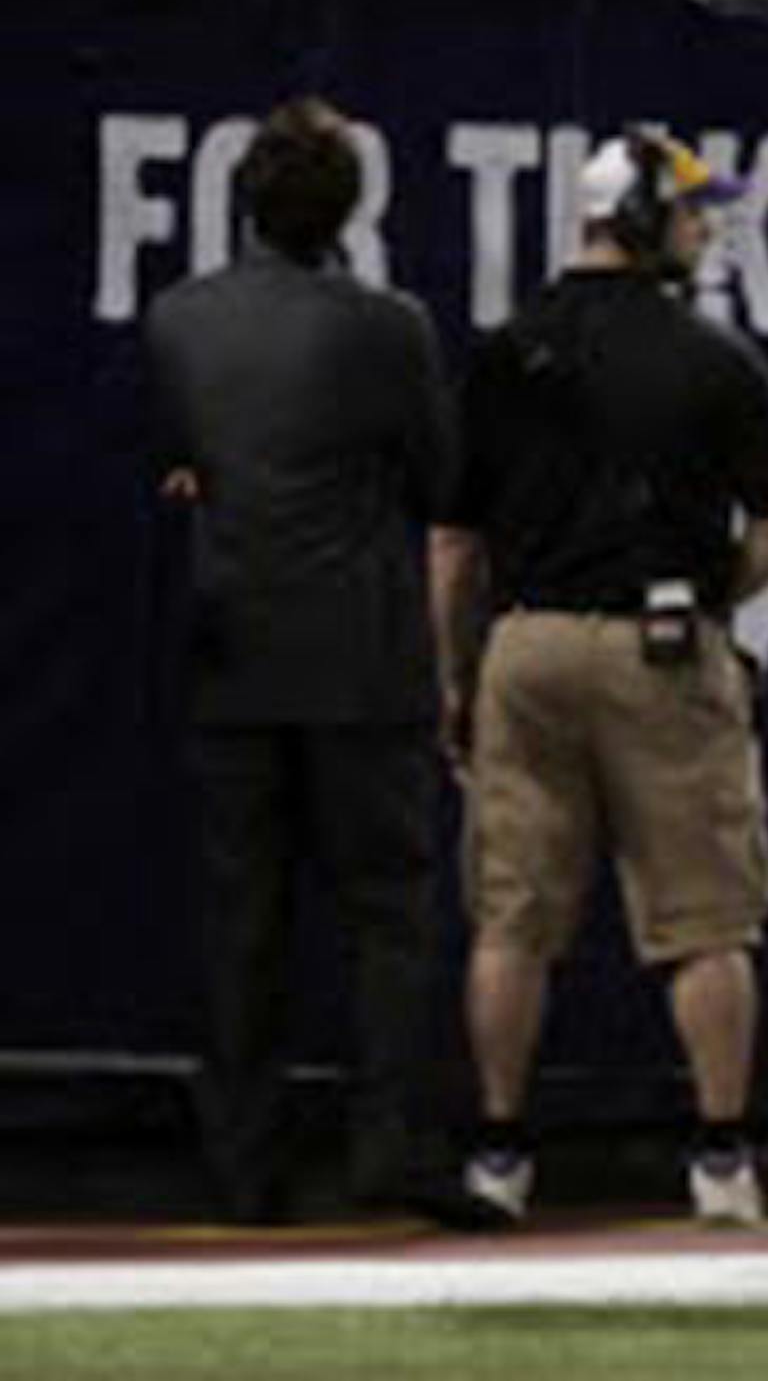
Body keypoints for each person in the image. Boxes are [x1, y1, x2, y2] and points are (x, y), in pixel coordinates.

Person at [430, 128, 768, 1227]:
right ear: (649, 220)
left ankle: (499, 1155)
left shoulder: (507, 350)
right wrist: (710, 595)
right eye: (693, 212)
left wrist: (455, 674)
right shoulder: (713, 356)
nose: (705, 230)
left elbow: (452, 545)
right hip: (659, 647)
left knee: (512, 919)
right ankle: (722, 1159)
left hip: (528, 645)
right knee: (707, 917)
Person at [144, 97, 476, 1226]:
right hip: (361, 666)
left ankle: (242, 1168)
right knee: (389, 913)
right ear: (351, 205)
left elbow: (176, 465)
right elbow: (441, 482)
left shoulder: (180, 319)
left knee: (243, 920)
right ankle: (388, 1149)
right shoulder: (390, 327)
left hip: (232, 657)